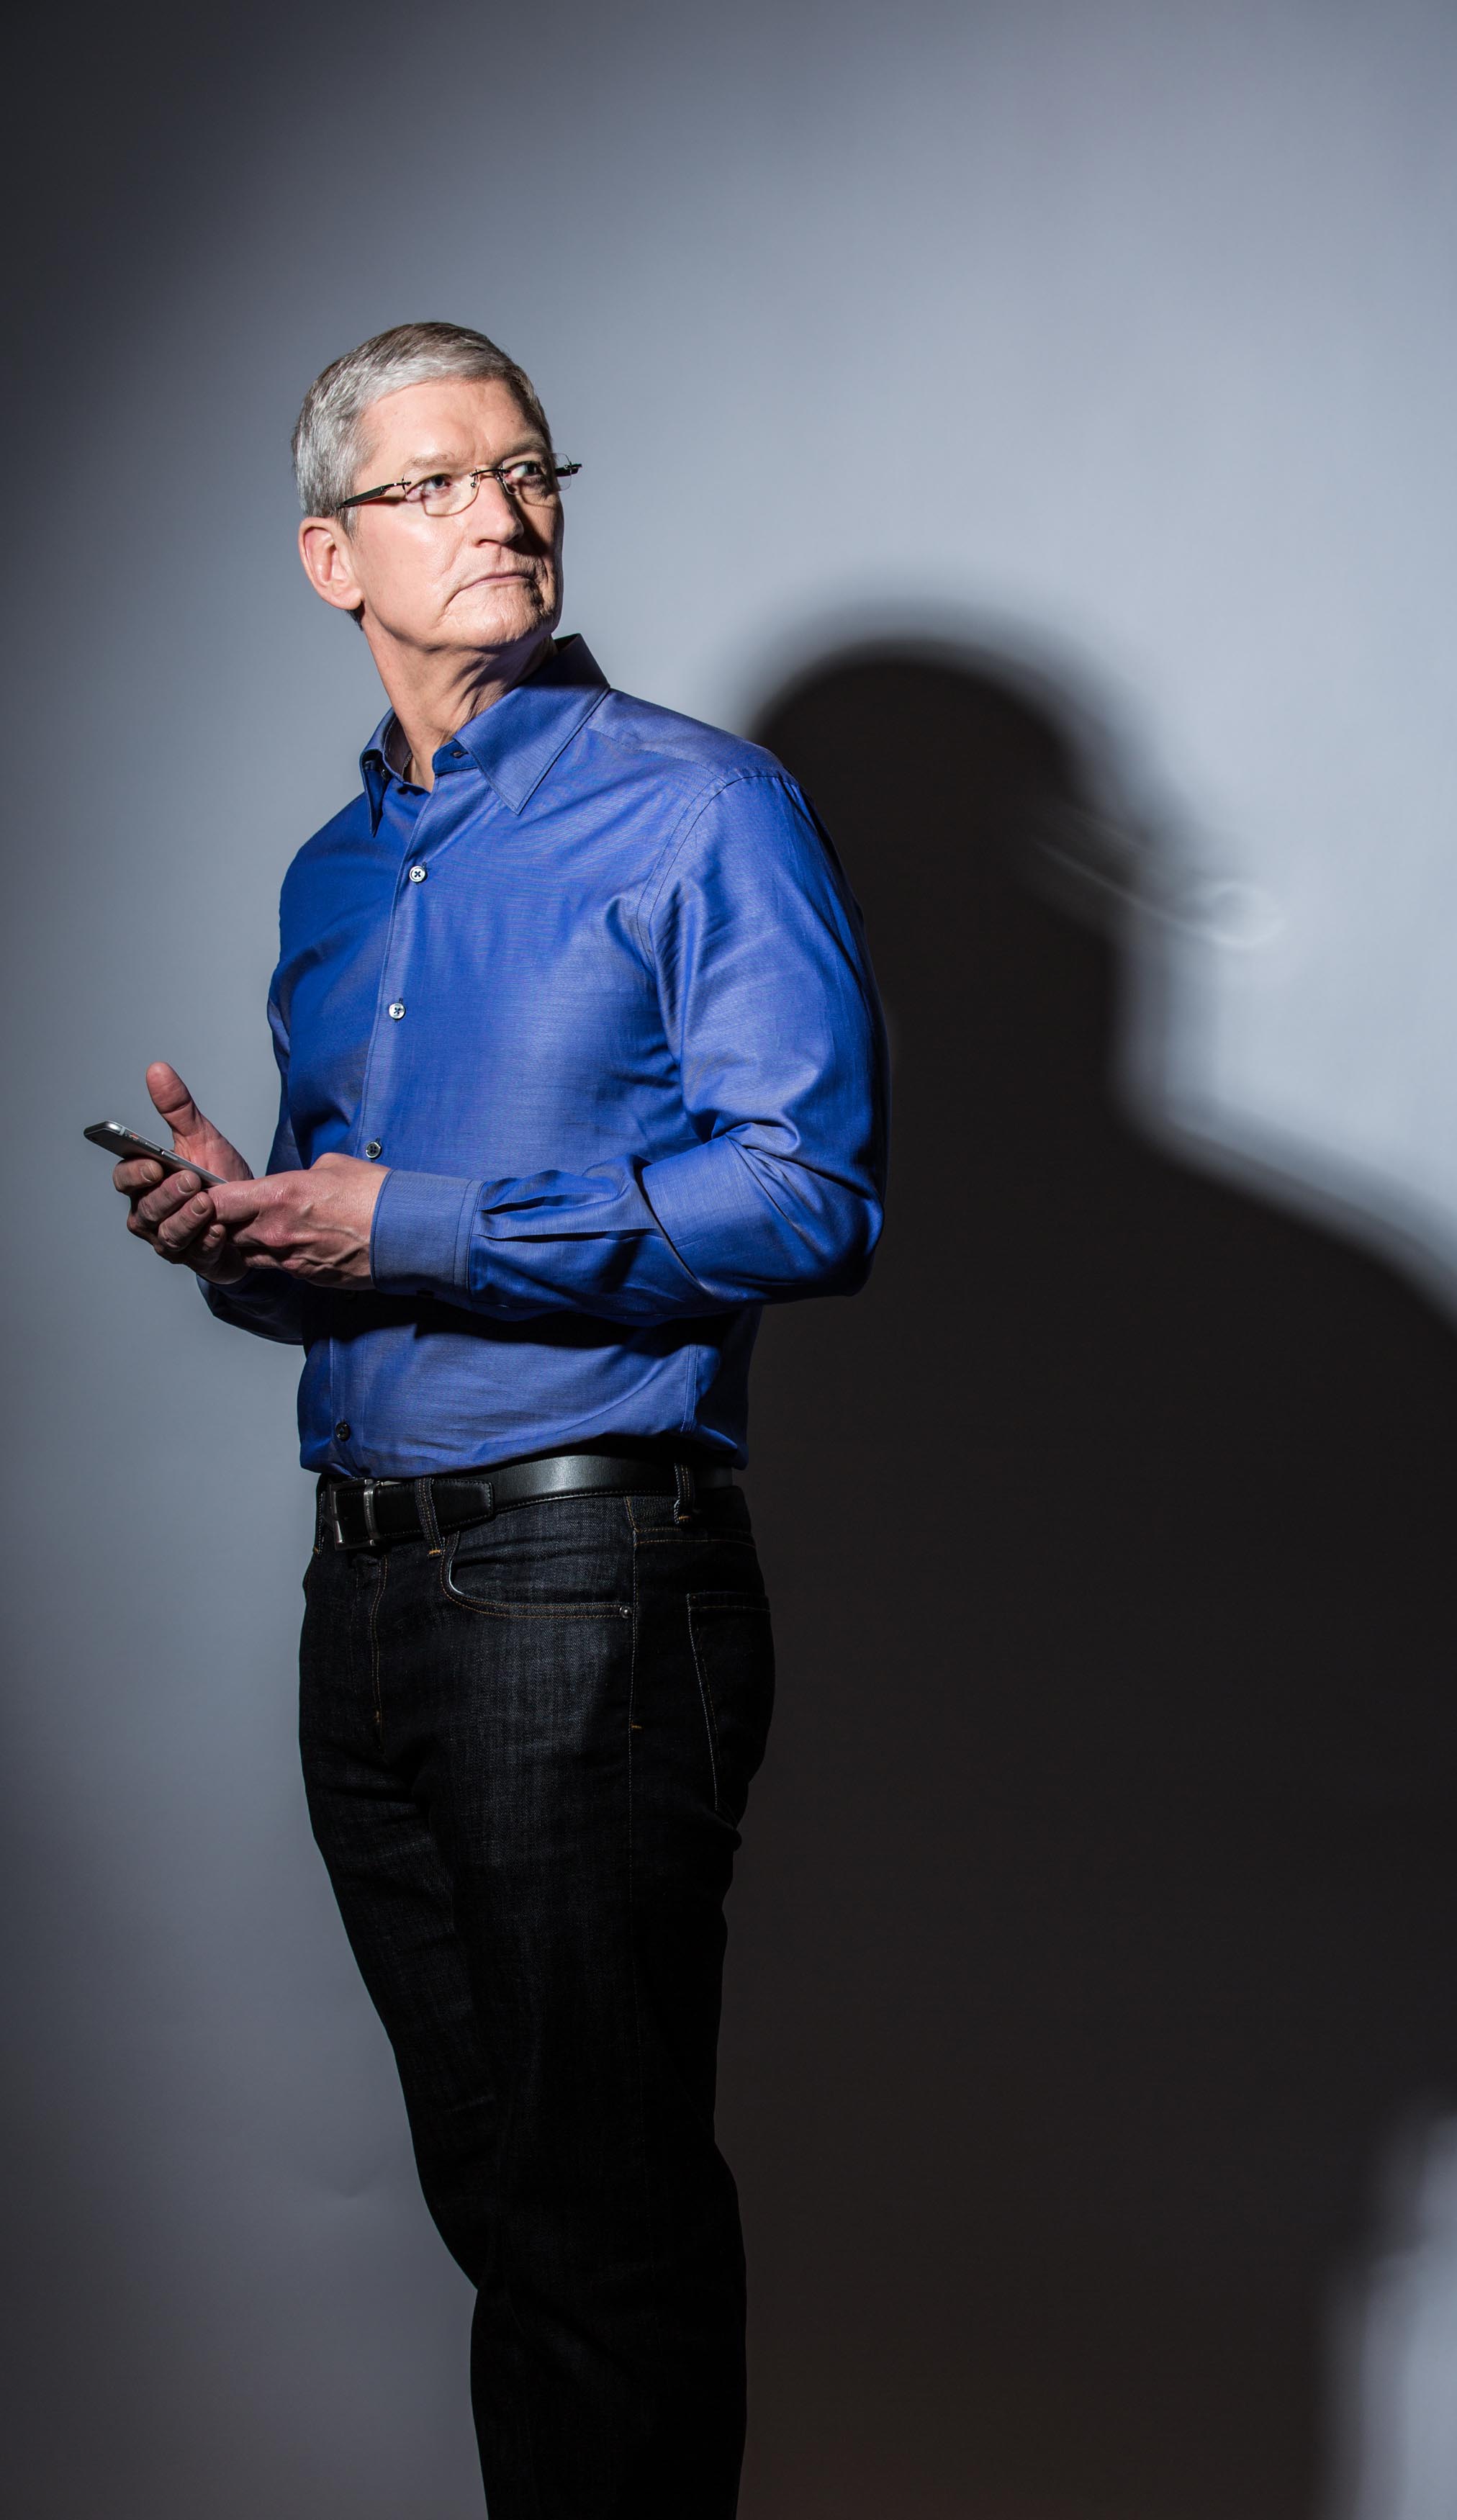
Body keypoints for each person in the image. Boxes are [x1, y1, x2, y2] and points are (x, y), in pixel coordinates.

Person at [108, 320, 888, 2519]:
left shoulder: (703, 805)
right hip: (364, 1593)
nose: (501, 512)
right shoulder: (330, 880)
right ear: (325, 554)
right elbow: (365, 1254)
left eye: (525, 468)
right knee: (511, 2221)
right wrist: (248, 1241)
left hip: (590, 1580)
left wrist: (422, 1214)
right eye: (438, 484)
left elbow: (812, 1191)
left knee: (602, 2225)